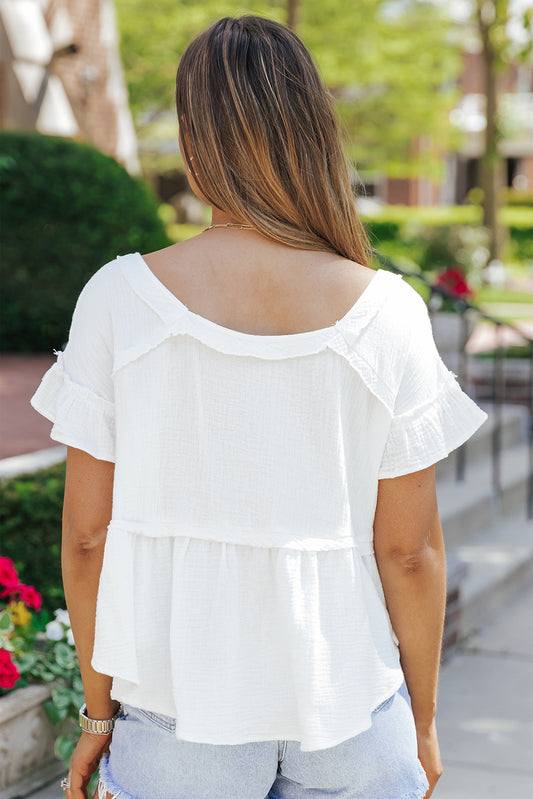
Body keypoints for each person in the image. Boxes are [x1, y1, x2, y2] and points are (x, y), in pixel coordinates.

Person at [30, 15, 488, 799]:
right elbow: (410, 552)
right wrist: (420, 719)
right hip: (351, 714)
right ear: (311, 131)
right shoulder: (389, 310)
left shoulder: (118, 299)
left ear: (191, 135)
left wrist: (98, 720)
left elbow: (86, 536)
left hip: (178, 720)